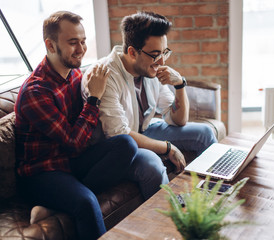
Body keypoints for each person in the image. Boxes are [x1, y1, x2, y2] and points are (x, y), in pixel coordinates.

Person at [14, 11, 138, 240]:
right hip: (42, 172)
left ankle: (55, 206)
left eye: (82, 41)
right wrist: (94, 98)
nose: (81, 48)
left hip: (70, 162)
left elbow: (80, 143)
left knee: (127, 145)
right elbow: (73, 143)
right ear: (50, 46)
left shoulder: (75, 74)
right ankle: (70, 197)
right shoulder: (36, 91)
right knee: (86, 202)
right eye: (73, 43)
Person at [82, 11, 217, 190]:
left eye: (164, 52)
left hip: (143, 130)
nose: (161, 61)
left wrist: (179, 84)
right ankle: (170, 215)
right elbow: (119, 134)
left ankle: (217, 194)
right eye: (155, 54)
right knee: (152, 165)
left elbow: (177, 119)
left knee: (204, 133)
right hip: (117, 148)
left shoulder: (150, 69)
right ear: (132, 52)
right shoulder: (105, 75)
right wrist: (168, 148)